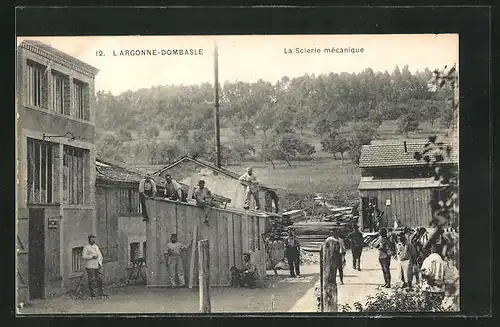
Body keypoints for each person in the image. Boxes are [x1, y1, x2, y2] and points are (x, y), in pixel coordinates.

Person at [420, 243, 446, 310]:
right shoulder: (443, 261)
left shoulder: (428, 259)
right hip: (440, 289)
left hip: (428, 289)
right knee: (437, 308)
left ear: (432, 250)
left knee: (427, 308)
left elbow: (426, 273)